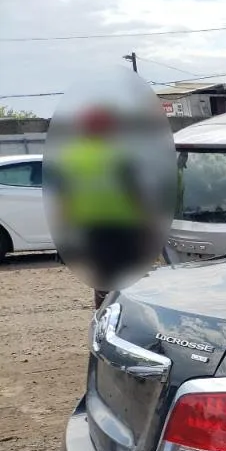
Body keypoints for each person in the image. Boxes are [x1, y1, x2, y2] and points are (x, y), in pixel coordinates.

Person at [46, 106, 149, 309]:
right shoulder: (120, 154)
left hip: (89, 226)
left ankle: (103, 316)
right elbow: (135, 192)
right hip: (123, 224)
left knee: (101, 276)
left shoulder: (70, 157)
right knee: (128, 274)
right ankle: (127, 317)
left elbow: (62, 198)